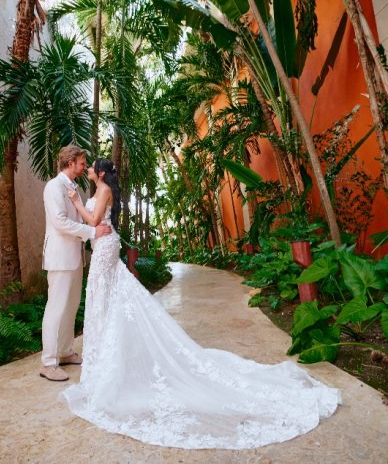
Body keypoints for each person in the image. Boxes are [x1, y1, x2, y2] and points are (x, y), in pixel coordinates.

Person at [62, 157, 341, 450]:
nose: (89, 169)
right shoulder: (99, 189)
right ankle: (108, 356)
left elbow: (93, 222)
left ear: (102, 172)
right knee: (104, 300)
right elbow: (93, 223)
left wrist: (75, 201)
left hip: (105, 248)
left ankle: (111, 362)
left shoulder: (103, 188)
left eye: (91, 166)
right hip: (103, 247)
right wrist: (81, 204)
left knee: (105, 298)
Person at [40, 145, 112, 382]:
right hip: (60, 257)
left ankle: (65, 351)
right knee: (56, 308)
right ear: (70, 162)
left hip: (74, 256)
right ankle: (49, 362)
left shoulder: (74, 187)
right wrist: (92, 232)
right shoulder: (54, 187)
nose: (84, 167)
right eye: (81, 163)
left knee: (70, 306)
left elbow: (80, 216)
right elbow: (60, 222)